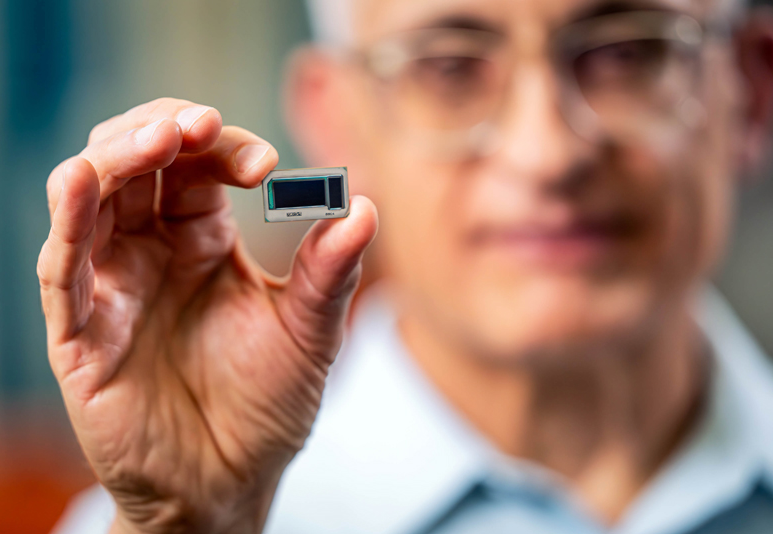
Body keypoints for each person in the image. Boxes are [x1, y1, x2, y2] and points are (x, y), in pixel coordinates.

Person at [41, 0, 773, 532]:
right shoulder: (181, 515)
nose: (547, 154)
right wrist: (193, 524)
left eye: (627, 53)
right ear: (334, 121)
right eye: (449, 66)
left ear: (753, 88)